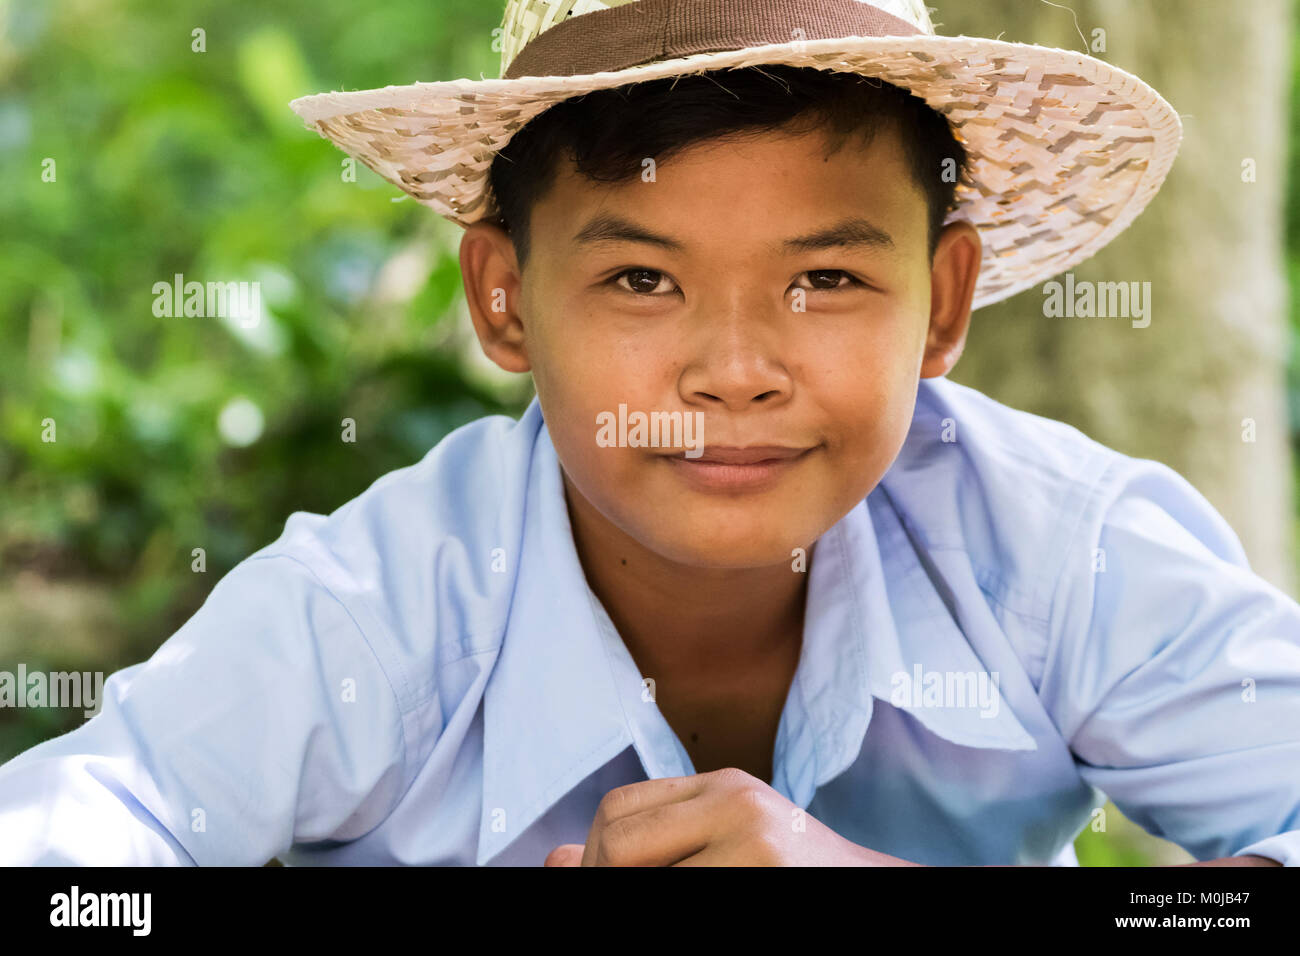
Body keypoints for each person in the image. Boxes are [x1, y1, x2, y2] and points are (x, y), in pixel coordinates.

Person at [1, 0, 1296, 866]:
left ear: (942, 303)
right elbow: (82, 840)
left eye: (826, 281)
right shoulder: (380, 614)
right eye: (640, 281)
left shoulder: (1062, 557)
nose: (735, 373)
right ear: (504, 301)